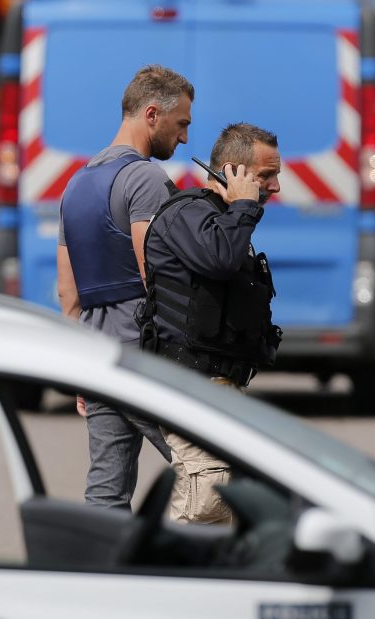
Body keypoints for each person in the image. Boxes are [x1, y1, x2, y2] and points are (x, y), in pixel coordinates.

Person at [57, 65, 194, 510]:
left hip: (98, 360)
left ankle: (99, 573)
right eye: (182, 125)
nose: (185, 138)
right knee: (206, 470)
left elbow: (68, 292)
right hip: (143, 360)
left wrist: (80, 365)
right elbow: (158, 274)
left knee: (105, 495)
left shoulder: (76, 185)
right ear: (152, 114)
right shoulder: (146, 180)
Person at [138, 123, 283, 524]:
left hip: (218, 390)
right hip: (191, 386)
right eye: (266, 175)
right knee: (204, 505)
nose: (274, 186)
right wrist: (243, 207)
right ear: (233, 173)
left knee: (223, 513)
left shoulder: (225, 222)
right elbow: (217, 260)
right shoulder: (188, 214)